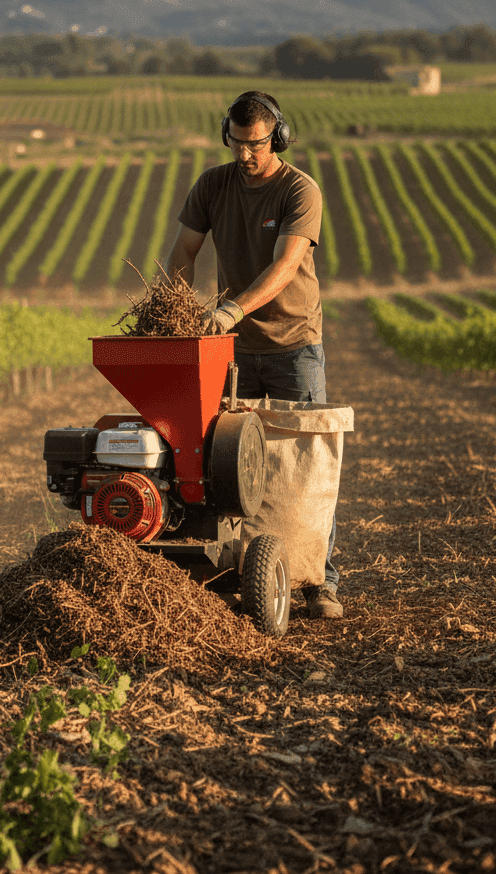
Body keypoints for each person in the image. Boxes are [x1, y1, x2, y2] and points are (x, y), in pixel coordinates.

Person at [164, 90, 343, 619]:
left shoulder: (299, 190)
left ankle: (319, 584)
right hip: (231, 353)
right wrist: (176, 309)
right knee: (228, 466)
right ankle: (239, 572)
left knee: (304, 468)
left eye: (257, 145)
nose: (246, 155)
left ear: (278, 138)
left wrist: (230, 310)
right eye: (238, 143)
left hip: (293, 348)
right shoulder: (212, 186)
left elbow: (285, 266)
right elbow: (183, 252)